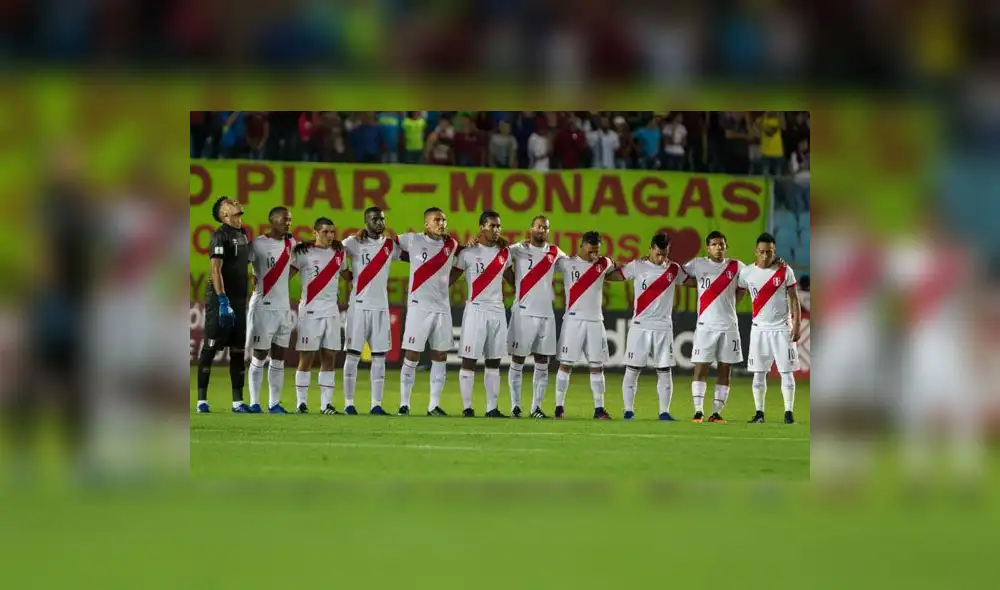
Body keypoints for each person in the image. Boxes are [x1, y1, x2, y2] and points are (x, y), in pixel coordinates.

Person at [614, 233, 688, 420]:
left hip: (663, 327)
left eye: (664, 254)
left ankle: (664, 412)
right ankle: (628, 410)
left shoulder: (673, 269)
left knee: (664, 370)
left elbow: (692, 281)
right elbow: (617, 276)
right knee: (633, 369)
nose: (661, 258)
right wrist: (600, 268)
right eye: (657, 254)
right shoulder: (637, 266)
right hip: (641, 325)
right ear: (650, 249)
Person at [397, 208, 460, 416]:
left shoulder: (451, 245)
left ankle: (433, 405)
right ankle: (404, 404)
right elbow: (384, 243)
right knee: (412, 353)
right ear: (426, 224)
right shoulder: (412, 239)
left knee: (440, 354)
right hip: (419, 306)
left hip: (442, 307)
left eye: (444, 220)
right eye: (437, 220)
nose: (442, 223)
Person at [452, 211, 512, 417]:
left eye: (498, 226)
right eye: (492, 226)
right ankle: (467, 407)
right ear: (481, 228)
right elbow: (450, 278)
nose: (496, 230)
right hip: (476, 309)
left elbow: (514, 279)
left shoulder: (505, 253)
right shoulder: (467, 253)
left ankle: (492, 408)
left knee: (494, 360)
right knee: (469, 359)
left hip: (497, 310)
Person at [341, 207, 401, 415]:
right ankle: (349, 403)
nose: (379, 222)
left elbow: (417, 256)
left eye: (382, 219)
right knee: (353, 356)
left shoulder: (390, 246)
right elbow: (332, 255)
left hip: (380, 308)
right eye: (375, 219)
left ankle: (376, 404)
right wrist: (346, 275)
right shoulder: (353, 242)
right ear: (366, 221)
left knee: (379, 357)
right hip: (358, 306)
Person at [506, 216, 568, 418]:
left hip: (546, 314)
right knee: (518, 359)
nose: (542, 230)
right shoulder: (518, 249)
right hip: (523, 312)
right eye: (539, 226)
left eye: (546, 227)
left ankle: (536, 407)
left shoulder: (555, 252)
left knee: (543, 360)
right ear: (531, 228)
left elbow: (574, 266)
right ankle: (515, 406)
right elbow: (498, 255)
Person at [682, 231, 747, 423]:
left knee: (725, 369)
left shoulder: (737, 266)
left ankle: (716, 413)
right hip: (705, 325)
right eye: (715, 245)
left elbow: (745, 285)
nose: (719, 248)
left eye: (722, 245)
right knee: (701, 366)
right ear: (707, 247)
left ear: (726, 247)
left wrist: (732, 304)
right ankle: (698, 411)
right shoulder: (697, 264)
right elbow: (676, 273)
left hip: (729, 326)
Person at [553, 232, 618, 419]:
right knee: (565, 364)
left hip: (596, 321)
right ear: (582, 246)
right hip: (573, 319)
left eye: (597, 251)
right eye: (591, 251)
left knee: (597, 366)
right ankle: (559, 407)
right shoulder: (566, 263)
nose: (594, 255)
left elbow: (618, 269)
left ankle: (599, 409)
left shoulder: (604, 263)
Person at [738, 233, 801, 424]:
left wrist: (797, 323)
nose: (766, 256)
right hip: (759, 329)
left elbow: (794, 297)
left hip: (782, 328)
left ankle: (788, 413)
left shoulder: (784, 270)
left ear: (775, 252)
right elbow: (738, 292)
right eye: (763, 252)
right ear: (756, 252)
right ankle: (759, 413)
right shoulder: (746, 273)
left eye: (770, 252)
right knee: (758, 372)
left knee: (786, 372)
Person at [196, 197, 252, 412]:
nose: (236, 202)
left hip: (239, 300)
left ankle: (238, 402)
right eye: (230, 202)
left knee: (238, 350)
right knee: (210, 348)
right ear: (224, 213)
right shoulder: (219, 235)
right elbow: (215, 270)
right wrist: (221, 299)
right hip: (220, 300)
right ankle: (202, 400)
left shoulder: (243, 233)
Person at [291, 217, 349, 414]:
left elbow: (347, 275)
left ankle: (326, 405)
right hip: (310, 309)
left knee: (329, 356)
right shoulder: (303, 252)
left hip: (331, 310)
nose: (330, 236)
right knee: (307, 357)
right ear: (315, 232)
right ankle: (301, 403)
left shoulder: (339, 253)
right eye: (325, 232)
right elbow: (288, 274)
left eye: (332, 232)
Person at [245, 206, 297, 413]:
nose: (288, 223)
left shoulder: (291, 243)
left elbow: (297, 263)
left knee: (279, 355)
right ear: (272, 221)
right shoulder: (258, 244)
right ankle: (254, 402)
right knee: (259, 354)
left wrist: (283, 280)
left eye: (290, 220)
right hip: (263, 305)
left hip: (283, 307)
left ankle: (274, 403)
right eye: (284, 219)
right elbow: (243, 267)